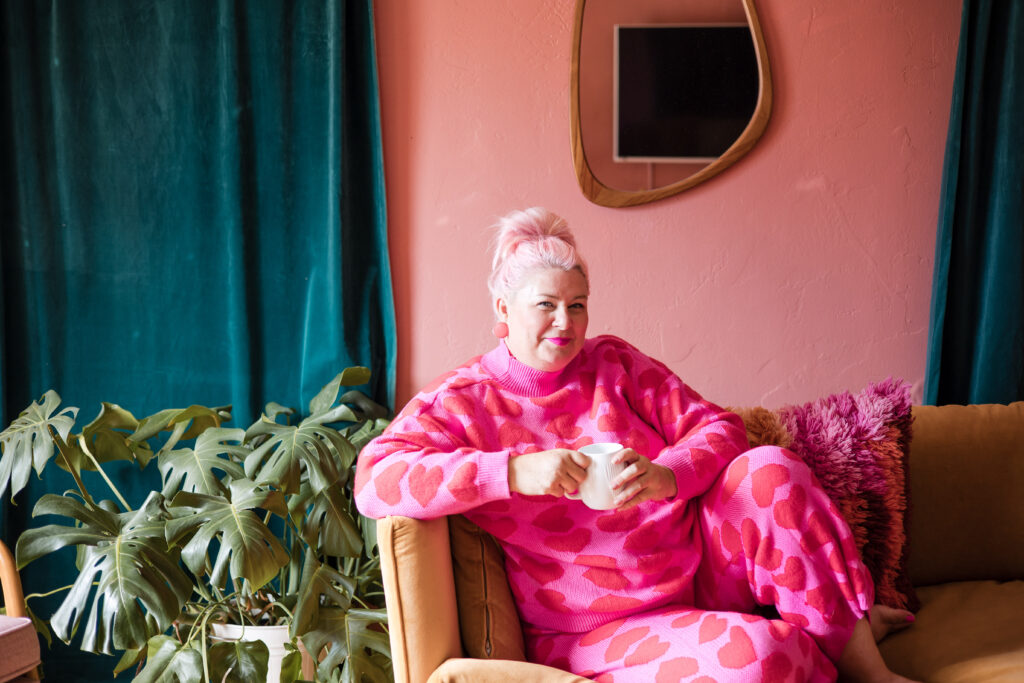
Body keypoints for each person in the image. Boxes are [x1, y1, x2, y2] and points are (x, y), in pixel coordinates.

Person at [355, 208, 916, 682]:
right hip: (595, 629)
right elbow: (374, 478)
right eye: (545, 305)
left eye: (578, 304)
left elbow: (721, 428)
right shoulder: (466, 401)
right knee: (759, 657)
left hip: (700, 573)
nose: (565, 322)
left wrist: (665, 473)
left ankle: (866, 664)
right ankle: (833, 628)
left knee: (771, 470)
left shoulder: (614, 363)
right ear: (503, 310)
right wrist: (515, 473)